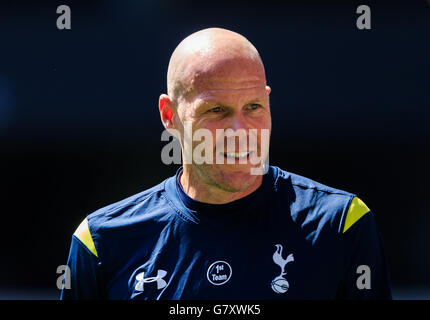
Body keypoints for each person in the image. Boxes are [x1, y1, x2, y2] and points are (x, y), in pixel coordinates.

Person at [60, 28, 392, 299]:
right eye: (216, 111)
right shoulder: (100, 241)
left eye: (253, 107)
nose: (241, 132)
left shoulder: (342, 224)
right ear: (169, 115)